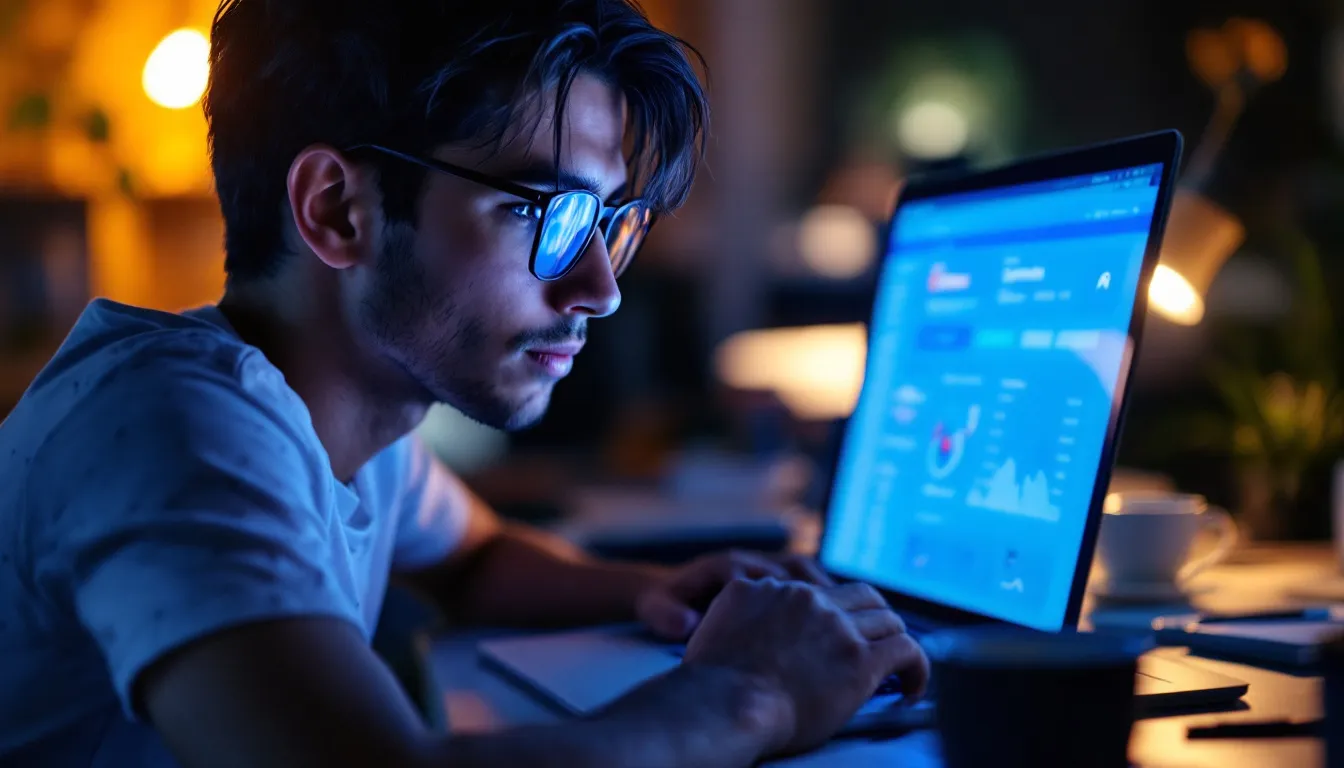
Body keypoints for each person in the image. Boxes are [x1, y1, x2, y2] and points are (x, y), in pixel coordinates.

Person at [0, 1, 929, 766]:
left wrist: (655, 590)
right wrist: (751, 690)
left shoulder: (349, 420)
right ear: (338, 210)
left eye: (610, 221)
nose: (600, 287)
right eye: (547, 213)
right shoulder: (174, 427)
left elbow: (474, 557)